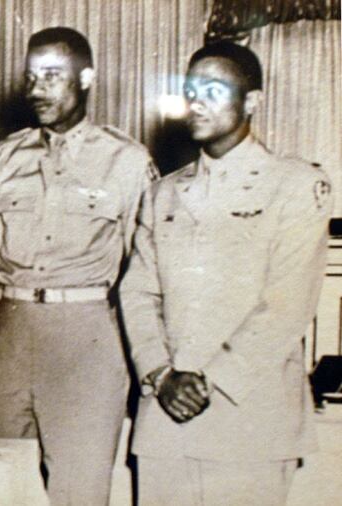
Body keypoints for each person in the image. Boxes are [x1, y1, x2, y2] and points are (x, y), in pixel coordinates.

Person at [120, 41, 330, 505]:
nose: (196, 102)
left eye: (214, 90)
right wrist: (159, 374)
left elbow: (287, 305)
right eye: (191, 90)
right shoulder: (163, 195)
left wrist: (206, 382)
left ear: (252, 101)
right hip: (165, 419)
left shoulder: (295, 185)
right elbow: (136, 293)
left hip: (248, 422)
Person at [0, 27, 158, 505]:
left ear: (87, 78)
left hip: (87, 339)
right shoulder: (2, 159)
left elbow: (143, 267)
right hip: (10, 334)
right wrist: (1, 332)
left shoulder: (128, 161)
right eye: (31, 77)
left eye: (52, 77)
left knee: (78, 494)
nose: (36, 90)